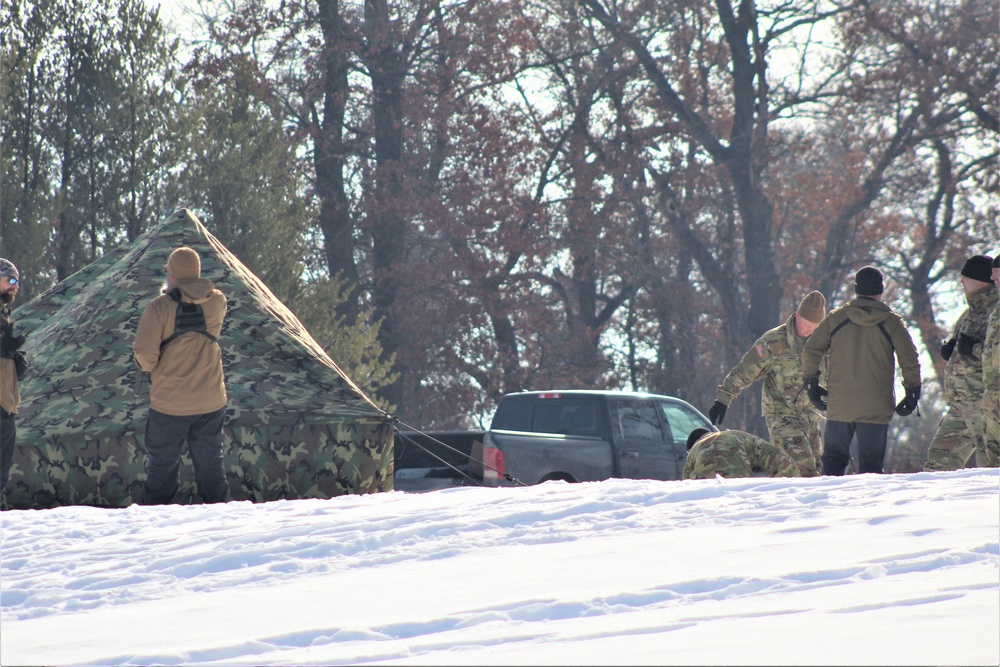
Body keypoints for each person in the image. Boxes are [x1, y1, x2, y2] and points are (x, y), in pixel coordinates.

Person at [134, 247, 231, 504]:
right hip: (210, 401)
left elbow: (145, 355)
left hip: (169, 403)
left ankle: (155, 522)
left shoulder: (159, 308)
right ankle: (222, 518)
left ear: (173, 274)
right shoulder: (217, 301)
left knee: (161, 471)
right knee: (211, 467)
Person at [802, 266, 921, 475]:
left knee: (833, 462)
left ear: (856, 290)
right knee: (871, 466)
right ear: (880, 291)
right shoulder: (891, 322)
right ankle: (871, 506)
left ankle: (827, 505)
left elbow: (811, 350)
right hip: (875, 406)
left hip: (840, 404)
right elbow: (909, 358)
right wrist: (912, 391)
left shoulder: (836, 319)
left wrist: (812, 383)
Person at [707, 291, 827, 476]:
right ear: (797, 316)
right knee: (800, 470)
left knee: (815, 472)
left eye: (815, 325)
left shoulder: (821, 344)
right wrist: (723, 399)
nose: (809, 329)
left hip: (811, 416)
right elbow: (746, 370)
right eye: (806, 323)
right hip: (782, 415)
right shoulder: (774, 342)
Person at [924, 255, 998, 471]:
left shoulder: (995, 310)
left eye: (965, 277)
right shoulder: (970, 312)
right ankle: (929, 504)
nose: (961, 281)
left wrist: (972, 349)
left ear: (981, 280)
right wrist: (954, 350)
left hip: (984, 405)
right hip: (960, 405)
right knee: (937, 463)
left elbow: (993, 353)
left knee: (989, 466)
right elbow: (964, 343)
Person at [1, 258, 27, 505]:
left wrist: (15, 359)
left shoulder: (4, 313)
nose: (15, 285)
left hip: (5, 401)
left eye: (17, 281)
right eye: (10, 279)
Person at [683, 428, 801, 479]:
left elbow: (686, 484)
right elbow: (779, 458)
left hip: (705, 489)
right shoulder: (738, 436)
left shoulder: (695, 449)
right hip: (737, 483)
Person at [979, 254, 1000, 464]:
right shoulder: (996, 310)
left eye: (996, 272)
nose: (992, 278)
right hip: (993, 394)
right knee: (993, 463)